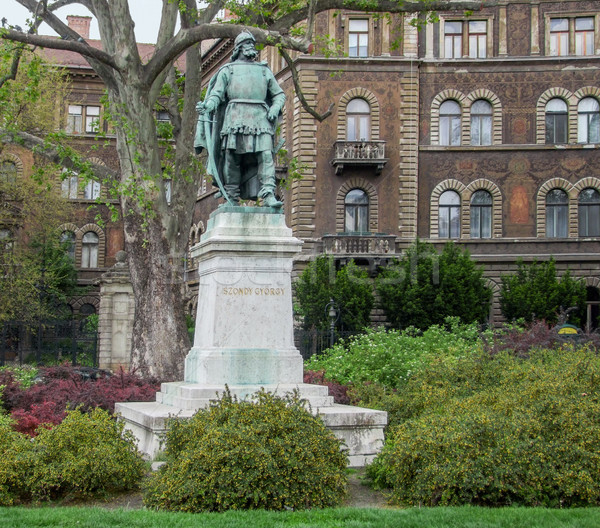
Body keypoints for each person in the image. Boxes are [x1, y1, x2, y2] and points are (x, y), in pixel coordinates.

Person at [195, 31, 286, 208]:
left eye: (252, 43)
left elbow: (279, 94)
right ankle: (232, 196)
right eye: (247, 43)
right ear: (238, 48)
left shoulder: (264, 70)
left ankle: (268, 194)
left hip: (261, 117)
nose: (251, 46)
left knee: (266, 156)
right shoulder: (227, 71)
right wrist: (208, 106)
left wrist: (275, 108)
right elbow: (217, 95)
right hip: (235, 117)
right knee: (232, 158)